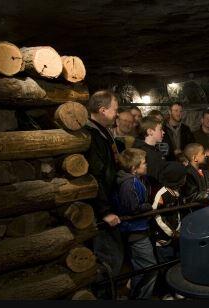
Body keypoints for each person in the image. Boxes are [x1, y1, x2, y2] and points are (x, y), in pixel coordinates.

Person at [84, 90, 124, 297]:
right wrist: (104, 211)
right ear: (102, 110)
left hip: (106, 202)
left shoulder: (102, 132)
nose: (117, 115)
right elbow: (94, 176)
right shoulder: (93, 136)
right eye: (115, 110)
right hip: (99, 211)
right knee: (108, 260)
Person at [113, 148, 157, 299]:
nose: (146, 165)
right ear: (133, 168)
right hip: (135, 231)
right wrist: (148, 206)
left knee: (143, 268)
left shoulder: (134, 180)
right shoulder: (128, 184)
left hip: (139, 229)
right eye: (144, 163)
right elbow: (133, 209)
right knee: (150, 268)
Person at [181, 143, 209, 207]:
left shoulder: (206, 171)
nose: (205, 155)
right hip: (197, 212)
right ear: (195, 158)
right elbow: (192, 195)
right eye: (202, 153)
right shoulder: (187, 174)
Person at [133, 116, 167, 194]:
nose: (163, 132)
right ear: (150, 131)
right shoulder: (142, 152)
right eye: (160, 129)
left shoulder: (155, 150)